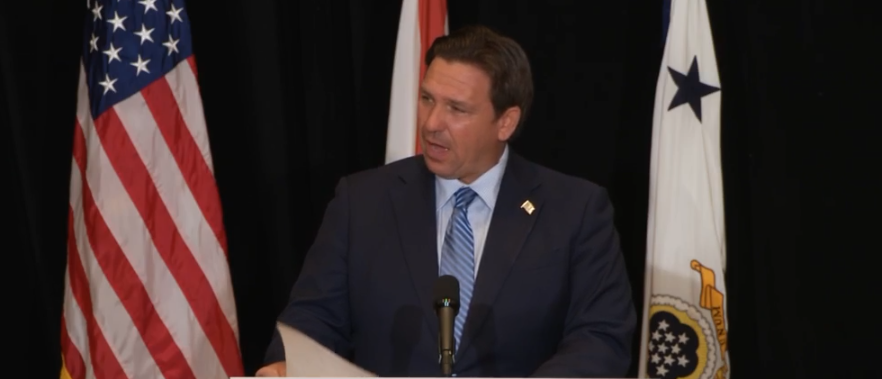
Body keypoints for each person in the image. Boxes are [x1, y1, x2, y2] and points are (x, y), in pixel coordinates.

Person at [256, 25, 636, 377]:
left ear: (506, 122)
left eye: (457, 109)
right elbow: (315, 316)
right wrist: (286, 364)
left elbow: (600, 338)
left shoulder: (575, 210)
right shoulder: (362, 202)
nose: (431, 123)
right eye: (427, 99)